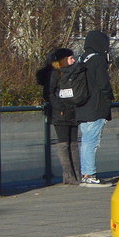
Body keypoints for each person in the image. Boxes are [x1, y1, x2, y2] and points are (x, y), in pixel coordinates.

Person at [37, 48, 81, 185]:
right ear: (63, 60)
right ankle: (69, 175)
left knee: (73, 143)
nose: (73, 60)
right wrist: (59, 107)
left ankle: (76, 174)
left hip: (72, 111)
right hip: (60, 113)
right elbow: (49, 94)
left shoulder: (73, 73)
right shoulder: (55, 74)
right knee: (64, 143)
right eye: (70, 58)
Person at [76, 30, 114, 187]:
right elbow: (103, 84)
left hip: (82, 106)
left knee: (86, 141)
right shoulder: (98, 60)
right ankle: (89, 174)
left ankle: (86, 173)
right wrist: (109, 97)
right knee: (91, 141)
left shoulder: (81, 59)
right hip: (95, 107)